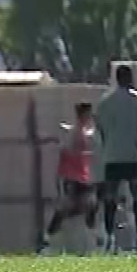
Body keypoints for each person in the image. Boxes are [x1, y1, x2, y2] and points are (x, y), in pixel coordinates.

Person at [96, 64, 137, 252]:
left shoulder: (105, 102)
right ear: (130, 78)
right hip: (133, 154)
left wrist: (106, 149)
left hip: (112, 155)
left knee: (110, 196)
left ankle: (109, 237)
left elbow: (101, 129)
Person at [44, 102, 97, 253]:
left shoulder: (82, 131)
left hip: (81, 177)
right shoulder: (74, 132)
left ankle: (90, 240)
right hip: (70, 176)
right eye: (88, 114)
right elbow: (68, 150)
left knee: (89, 205)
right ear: (84, 115)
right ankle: (48, 240)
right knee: (66, 208)